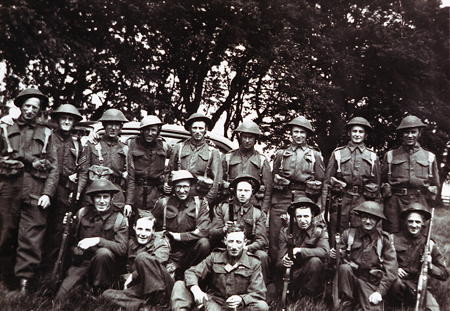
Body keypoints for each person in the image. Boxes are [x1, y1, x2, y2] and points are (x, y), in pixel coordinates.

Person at [0, 88, 59, 292]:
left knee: (31, 238)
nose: (31, 110)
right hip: (8, 190)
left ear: (40, 109)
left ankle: (24, 284)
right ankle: (5, 281)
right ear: (20, 106)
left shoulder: (47, 133)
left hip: (36, 190)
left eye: (35, 106)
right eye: (27, 105)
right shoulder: (5, 129)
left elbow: (54, 167)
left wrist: (47, 193)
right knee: (4, 234)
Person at [56, 179, 128, 299]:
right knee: (61, 298)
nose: (101, 201)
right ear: (92, 198)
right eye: (98, 197)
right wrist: (66, 226)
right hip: (83, 263)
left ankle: (100, 291)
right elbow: (71, 240)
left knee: (103, 253)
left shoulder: (119, 219)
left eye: (105, 197)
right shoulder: (82, 213)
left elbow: (122, 249)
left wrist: (99, 241)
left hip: (105, 267)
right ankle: (85, 287)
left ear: (111, 198)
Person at [171, 223, 269, 311]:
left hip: (240, 307)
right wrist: (195, 289)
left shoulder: (253, 262)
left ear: (245, 243)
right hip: (216, 304)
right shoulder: (215, 256)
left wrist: (242, 299)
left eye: (238, 242)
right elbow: (192, 272)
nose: (234, 246)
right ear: (225, 241)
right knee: (180, 285)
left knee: (262, 306)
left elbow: (258, 292)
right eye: (231, 241)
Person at [270, 116, 325, 264]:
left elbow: (322, 182)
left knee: (301, 235)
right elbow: (271, 180)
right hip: (282, 197)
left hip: (304, 197)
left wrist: (321, 206)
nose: (298, 135)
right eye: (295, 132)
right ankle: (277, 274)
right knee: (276, 238)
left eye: (302, 132)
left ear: (307, 134)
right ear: (291, 133)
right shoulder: (281, 154)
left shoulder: (315, 155)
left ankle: (299, 273)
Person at [321, 117, 380, 247]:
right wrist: (324, 208)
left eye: (361, 132)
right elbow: (327, 182)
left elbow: (377, 186)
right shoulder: (338, 153)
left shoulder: (372, 156)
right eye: (354, 131)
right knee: (336, 231)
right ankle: (334, 263)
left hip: (362, 200)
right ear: (349, 133)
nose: (357, 134)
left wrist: (375, 209)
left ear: (366, 135)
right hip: (341, 199)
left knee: (359, 231)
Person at [331, 201, 397, 311]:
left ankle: (360, 304)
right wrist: (334, 256)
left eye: (372, 218)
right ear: (360, 218)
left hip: (371, 283)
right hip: (350, 281)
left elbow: (391, 270)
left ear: (377, 221)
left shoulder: (384, 240)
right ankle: (346, 301)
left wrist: (380, 292)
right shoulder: (349, 234)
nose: (367, 221)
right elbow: (335, 263)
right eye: (365, 217)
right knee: (344, 268)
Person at [381, 115, 440, 233]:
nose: (410, 135)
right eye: (406, 132)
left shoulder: (429, 157)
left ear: (419, 133)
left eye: (413, 132)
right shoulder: (391, 155)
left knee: (418, 236)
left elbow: (435, 183)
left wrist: (432, 192)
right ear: (402, 134)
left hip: (419, 201)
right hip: (395, 203)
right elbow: (382, 180)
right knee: (391, 235)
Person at [42, 104, 83, 271]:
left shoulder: (77, 143)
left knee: (60, 232)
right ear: (58, 120)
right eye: (63, 118)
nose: (66, 122)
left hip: (66, 192)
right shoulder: (48, 137)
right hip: (46, 188)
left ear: (73, 123)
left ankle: (54, 273)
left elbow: (81, 168)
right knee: (42, 230)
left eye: (70, 119)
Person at [103, 216, 173, 311]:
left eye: (147, 230)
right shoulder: (131, 243)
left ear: (153, 231)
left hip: (161, 286)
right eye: (140, 229)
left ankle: (160, 303)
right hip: (140, 287)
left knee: (142, 257)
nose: (143, 234)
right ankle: (148, 307)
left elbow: (158, 260)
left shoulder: (161, 242)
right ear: (134, 228)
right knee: (107, 295)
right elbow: (118, 250)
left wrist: (133, 275)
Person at [388, 203, 448, 311]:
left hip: (417, 285)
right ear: (405, 222)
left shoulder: (429, 244)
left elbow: (444, 273)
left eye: (418, 222)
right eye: (410, 221)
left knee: (434, 309)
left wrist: (430, 265)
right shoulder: (392, 239)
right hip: (396, 284)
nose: (414, 225)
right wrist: (394, 268)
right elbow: (379, 260)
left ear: (423, 224)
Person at [210, 174, 270, 283]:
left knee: (262, 256)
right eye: (240, 190)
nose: (242, 194)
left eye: (246, 191)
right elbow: (212, 232)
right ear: (235, 191)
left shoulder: (258, 213)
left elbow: (262, 240)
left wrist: (248, 248)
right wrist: (223, 229)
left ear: (252, 192)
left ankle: (261, 289)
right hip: (226, 247)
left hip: (247, 249)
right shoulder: (223, 208)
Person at [152, 170, 210, 279]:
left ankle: (190, 274)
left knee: (204, 243)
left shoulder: (200, 204)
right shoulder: (164, 202)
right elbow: (150, 221)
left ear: (191, 186)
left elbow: (203, 231)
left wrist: (178, 236)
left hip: (190, 250)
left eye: (185, 186)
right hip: (169, 249)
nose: (182, 190)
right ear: (173, 187)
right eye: (178, 187)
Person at [276, 197, 329, 298]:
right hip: (292, 274)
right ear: (294, 218)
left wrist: (300, 250)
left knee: (315, 261)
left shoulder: (319, 231)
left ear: (312, 216)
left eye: (306, 216)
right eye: (299, 216)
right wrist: (284, 262)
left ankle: (309, 298)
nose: (303, 220)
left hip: (312, 274)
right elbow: (278, 262)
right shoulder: (286, 232)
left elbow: (325, 251)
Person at [167, 112, 223, 207]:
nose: (197, 131)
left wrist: (205, 203)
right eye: (195, 128)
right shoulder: (179, 148)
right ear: (190, 129)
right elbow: (169, 172)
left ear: (206, 130)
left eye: (201, 128)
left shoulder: (213, 152)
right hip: (178, 198)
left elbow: (217, 182)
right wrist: (167, 186)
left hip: (200, 199)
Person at [124, 115, 172, 224]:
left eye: (153, 130)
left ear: (158, 131)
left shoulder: (164, 146)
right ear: (141, 131)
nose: (150, 133)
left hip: (154, 194)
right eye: (147, 130)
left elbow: (176, 159)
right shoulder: (130, 144)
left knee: (153, 223)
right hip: (135, 191)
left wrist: (165, 182)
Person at [77, 108, 129, 209]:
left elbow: (130, 178)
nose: (113, 128)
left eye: (117, 124)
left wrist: (129, 203)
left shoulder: (125, 148)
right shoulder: (92, 145)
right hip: (94, 194)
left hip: (116, 195)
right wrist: (78, 192)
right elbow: (83, 173)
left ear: (121, 127)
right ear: (104, 125)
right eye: (110, 124)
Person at [222, 120, 273, 214]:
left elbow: (268, 189)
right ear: (240, 137)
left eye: (250, 137)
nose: (247, 140)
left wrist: (264, 211)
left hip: (254, 206)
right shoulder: (228, 157)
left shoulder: (262, 160)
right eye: (244, 137)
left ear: (255, 139)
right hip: (231, 204)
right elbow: (219, 181)